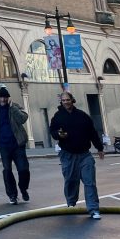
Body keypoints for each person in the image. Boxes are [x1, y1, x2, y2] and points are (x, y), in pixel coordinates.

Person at [49, 91, 105, 220]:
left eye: (68, 100)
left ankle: (93, 209)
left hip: (85, 155)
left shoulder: (82, 116)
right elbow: (52, 131)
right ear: (61, 102)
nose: (66, 102)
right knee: (71, 181)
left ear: (72, 100)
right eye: (63, 100)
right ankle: (71, 204)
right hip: (67, 155)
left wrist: (99, 148)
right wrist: (59, 135)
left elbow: (92, 132)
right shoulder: (57, 117)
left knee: (89, 182)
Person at [0, 86, 30, 205]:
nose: (3, 99)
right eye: (1, 97)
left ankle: (23, 188)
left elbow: (23, 119)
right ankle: (12, 195)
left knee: (23, 169)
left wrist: (13, 108)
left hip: (18, 145)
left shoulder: (15, 107)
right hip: (4, 146)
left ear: (8, 97)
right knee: (7, 170)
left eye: (5, 97)